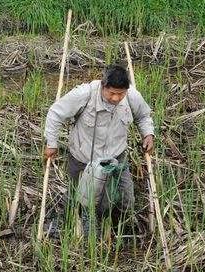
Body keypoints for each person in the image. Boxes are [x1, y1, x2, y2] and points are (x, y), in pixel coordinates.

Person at [43, 64, 155, 230]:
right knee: (77, 196)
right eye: (112, 93)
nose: (116, 98)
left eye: (120, 94)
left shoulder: (132, 96)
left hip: (115, 159)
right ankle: (64, 225)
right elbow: (55, 114)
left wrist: (148, 134)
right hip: (83, 158)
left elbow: (143, 116)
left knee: (126, 198)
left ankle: (118, 229)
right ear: (103, 86)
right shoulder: (84, 94)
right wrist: (51, 143)